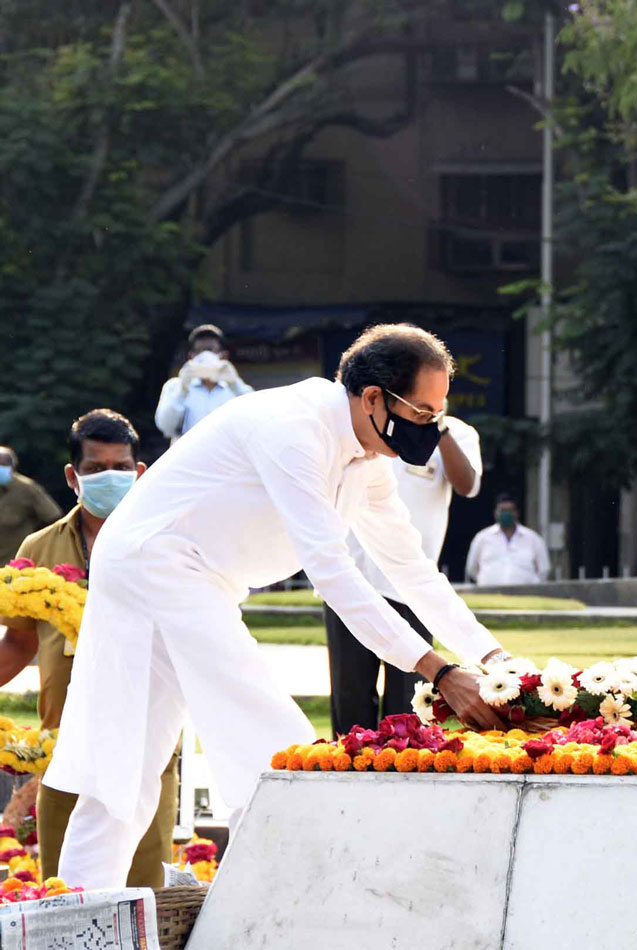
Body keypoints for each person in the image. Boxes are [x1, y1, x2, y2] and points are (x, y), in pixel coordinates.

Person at [45, 323, 511, 889]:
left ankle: (80, 909)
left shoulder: (370, 460)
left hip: (190, 576)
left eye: (439, 414)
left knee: (134, 764)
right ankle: (266, 905)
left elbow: (411, 570)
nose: (431, 429)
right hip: (155, 562)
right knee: (272, 743)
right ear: (373, 398)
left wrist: (496, 659)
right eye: (422, 412)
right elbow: (332, 573)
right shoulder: (296, 429)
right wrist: (440, 671)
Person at [0, 411, 178, 887]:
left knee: (144, 896)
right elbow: (18, 642)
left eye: (120, 467)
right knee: (64, 894)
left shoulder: (167, 544)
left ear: (140, 472)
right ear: (72, 476)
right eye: (96, 469)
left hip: (145, 748)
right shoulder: (39, 547)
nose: (109, 477)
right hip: (64, 749)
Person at [326, 409, 483, 734]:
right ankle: (346, 766)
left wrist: (438, 428)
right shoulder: (368, 423)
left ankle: (403, 765)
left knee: (408, 704)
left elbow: (467, 485)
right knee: (350, 695)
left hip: (412, 589)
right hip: (351, 580)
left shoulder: (457, 432)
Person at [154, 323, 253, 442]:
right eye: (199, 351)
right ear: (191, 357)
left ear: (224, 356)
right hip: (189, 453)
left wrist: (235, 385)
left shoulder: (236, 389)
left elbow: (254, 421)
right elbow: (165, 427)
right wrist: (182, 390)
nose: (205, 356)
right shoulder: (175, 387)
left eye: (211, 350)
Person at [465, 495, 551, 587]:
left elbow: (544, 569)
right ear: (495, 512)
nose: (506, 514)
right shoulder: (482, 538)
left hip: (524, 594)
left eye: (510, 510)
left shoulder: (533, 538)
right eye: (502, 510)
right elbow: (472, 569)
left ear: (517, 513)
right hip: (489, 593)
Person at [0, 446, 63, 563]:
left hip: (16, 564)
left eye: (3, 465)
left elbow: (53, 517)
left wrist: (38, 544)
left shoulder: (27, 489)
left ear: (12, 467)